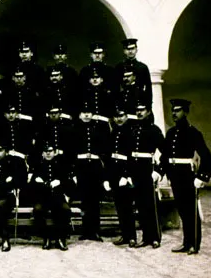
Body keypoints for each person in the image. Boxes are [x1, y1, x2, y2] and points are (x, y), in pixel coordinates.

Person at [159, 98, 211, 254]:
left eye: (178, 110)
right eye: (173, 110)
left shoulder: (193, 132)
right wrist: (159, 171)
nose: (174, 113)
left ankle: (194, 244)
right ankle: (186, 242)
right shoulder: (170, 133)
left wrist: (201, 177)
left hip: (188, 176)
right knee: (182, 210)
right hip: (174, 176)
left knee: (191, 211)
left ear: (186, 112)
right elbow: (166, 156)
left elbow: (207, 156)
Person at [72, 106, 111, 241]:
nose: (87, 115)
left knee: (94, 200)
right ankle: (85, 230)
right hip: (81, 167)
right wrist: (73, 171)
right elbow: (71, 151)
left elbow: (104, 149)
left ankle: (95, 231)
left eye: (89, 113)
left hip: (95, 166)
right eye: (84, 112)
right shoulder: (75, 129)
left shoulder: (98, 129)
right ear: (80, 115)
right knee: (84, 200)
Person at [129, 103, 164, 248]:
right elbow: (128, 153)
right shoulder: (132, 129)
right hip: (135, 170)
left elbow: (166, 152)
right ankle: (145, 237)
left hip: (147, 169)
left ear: (148, 112)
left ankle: (155, 237)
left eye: (142, 110)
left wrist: (158, 171)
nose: (139, 113)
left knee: (151, 205)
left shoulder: (154, 130)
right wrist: (128, 173)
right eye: (137, 110)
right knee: (140, 205)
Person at [29, 144, 71, 251]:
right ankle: (46, 237)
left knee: (65, 210)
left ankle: (60, 238)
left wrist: (60, 182)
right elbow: (31, 184)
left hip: (57, 197)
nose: (48, 153)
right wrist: (43, 184)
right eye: (45, 151)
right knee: (37, 210)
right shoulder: (38, 165)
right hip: (42, 198)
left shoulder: (60, 165)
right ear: (42, 153)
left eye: (50, 151)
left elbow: (68, 182)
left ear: (54, 152)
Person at [107, 109, 138, 247]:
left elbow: (132, 156)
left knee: (127, 206)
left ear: (126, 116)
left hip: (126, 174)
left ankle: (132, 236)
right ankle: (124, 235)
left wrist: (126, 175)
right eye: (116, 116)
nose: (118, 119)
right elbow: (109, 156)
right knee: (119, 206)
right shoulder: (113, 132)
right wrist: (108, 177)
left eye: (121, 116)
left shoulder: (131, 132)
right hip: (114, 172)